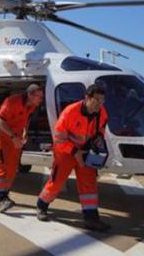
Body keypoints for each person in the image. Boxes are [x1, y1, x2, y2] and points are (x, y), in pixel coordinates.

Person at [36, 84, 111, 231]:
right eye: (97, 101)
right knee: (57, 181)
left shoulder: (101, 112)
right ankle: (41, 206)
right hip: (65, 152)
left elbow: (102, 127)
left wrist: (99, 138)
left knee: (89, 184)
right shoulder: (70, 112)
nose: (100, 104)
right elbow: (58, 139)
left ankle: (91, 219)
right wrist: (74, 151)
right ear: (87, 98)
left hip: (85, 151)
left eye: (102, 101)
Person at [0, 83, 44, 213]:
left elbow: (26, 119)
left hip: (16, 140)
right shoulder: (11, 102)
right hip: (3, 139)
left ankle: (6, 196)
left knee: (12, 168)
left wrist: (25, 131)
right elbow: (0, 121)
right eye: (39, 97)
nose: (41, 100)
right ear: (30, 95)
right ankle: (1, 199)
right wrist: (13, 136)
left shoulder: (31, 106)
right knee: (2, 168)